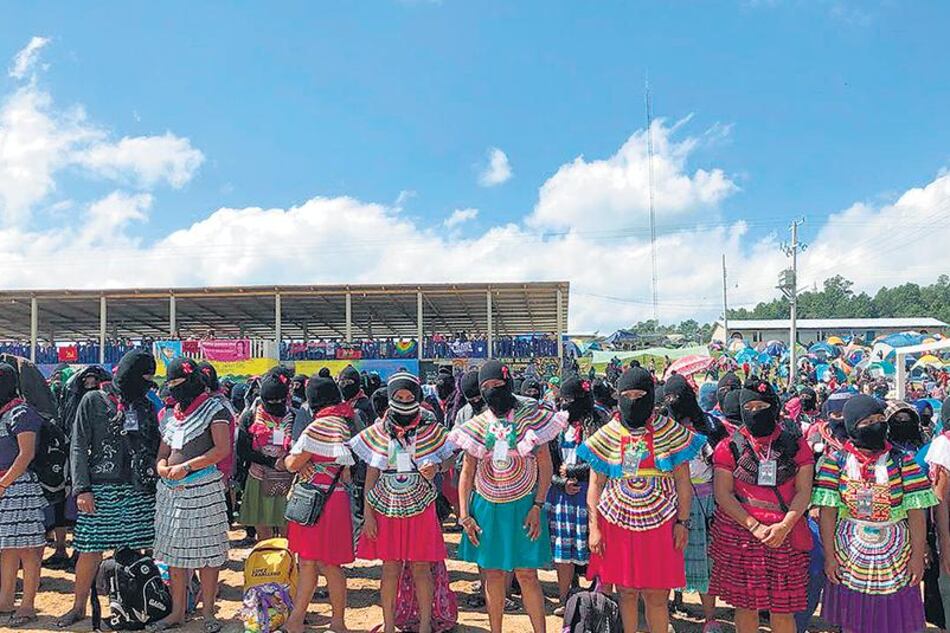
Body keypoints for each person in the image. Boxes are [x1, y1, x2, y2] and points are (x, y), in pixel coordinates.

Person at [580, 367, 702, 633]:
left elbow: (683, 482)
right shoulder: (607, 433)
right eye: (627, 394)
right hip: (617, 523)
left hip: (662, 524)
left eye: (640, 394)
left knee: (657, 597)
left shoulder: (670, 432)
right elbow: (595, 484)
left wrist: (683, 521)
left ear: (651, 395)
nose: (633, 400)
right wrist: (594, 528)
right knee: (626, 593)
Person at [449, 360, 564, 633]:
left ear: (508, 383)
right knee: (494, 575)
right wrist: (464, 514)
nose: (491, 391)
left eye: (496, 385)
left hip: (524, 504)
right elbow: (467, 472)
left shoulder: (532, 417)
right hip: (487, 506)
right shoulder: (476, 425)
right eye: (485, 387)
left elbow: (545, 465)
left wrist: (538, 504)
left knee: (527, 574)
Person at [813, 394, 936, 633]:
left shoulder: (903, 462)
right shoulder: (835, 463)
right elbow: (827, 514)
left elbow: (917, 514)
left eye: (880, 419)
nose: (876, 425)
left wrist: (916, 556)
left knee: (892, 620)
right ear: (851, 427)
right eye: (867, 422)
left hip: (896, 556)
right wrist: (829, 556)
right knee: (853, 619)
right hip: (849, 554)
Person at [57, 350, 161, 629]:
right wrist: (82, 489)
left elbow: (154, 444)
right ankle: (78, 606)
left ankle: (133, 603)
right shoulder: (92, 401)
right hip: (99, 489)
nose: (147, 384)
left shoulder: (145, 404)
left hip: (138, 489)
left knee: (137, 551)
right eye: (144, 378)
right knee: (89, 550)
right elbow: (77, 445)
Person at [350, 372, 455, 633]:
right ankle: (388, 625)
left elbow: (452, 458)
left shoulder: (431, 429)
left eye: (410, 397)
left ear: (418, 398)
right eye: (399, 397)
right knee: (390, 568)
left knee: (422, 567)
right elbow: (371, 475)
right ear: (390, 398)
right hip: (386, 507)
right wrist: (369, 516)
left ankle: (423, 625)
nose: (405, 401)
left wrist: (438, 467)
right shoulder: (378, 432)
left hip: (422, 506)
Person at [709, 377, 814, 633]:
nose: (756, 412)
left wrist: (784, 526)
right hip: (740, 535)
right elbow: (723, 494)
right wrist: (754, 526)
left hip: (785, 536)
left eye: (762, 406)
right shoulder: (729, 447)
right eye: (750, 407)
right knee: (746, 607)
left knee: (783, 609)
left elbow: (804, 491)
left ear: (775, 406)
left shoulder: (796, 445)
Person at [151, 358, 232, 633]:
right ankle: (177, 612)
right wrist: (161, 466)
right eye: (170, 384)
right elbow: (163, 451)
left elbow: (222, 449)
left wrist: (186, 466)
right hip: (171, 493)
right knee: (174, 554)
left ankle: (208, 612)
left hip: (203, 489)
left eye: (177, 384)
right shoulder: (173, 414)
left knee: (207, 554)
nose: (173, 389)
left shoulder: (215, 409)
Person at [283, 374, 355, 633]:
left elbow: (291, 463)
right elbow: (346, 471)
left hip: (313, 501)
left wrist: (304, 464)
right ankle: (336, 621)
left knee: (310, 562)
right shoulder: (345, 422)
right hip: (335, 500)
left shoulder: (317, 426)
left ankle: (296, 621)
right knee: (330, 564)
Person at [662, 374, 727, 632]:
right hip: (670, 502)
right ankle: (663, 612)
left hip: (706, 501)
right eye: (668, 398)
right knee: (667, 560)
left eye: (677, 397)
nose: (672, 402)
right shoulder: (662, 426)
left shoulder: (710, 425)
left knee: (706, 562)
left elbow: (721, 460)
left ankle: (710, 618)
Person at [546, 375, 606, 614]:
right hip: (562, 498)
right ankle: (566, 601)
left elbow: (602, 462)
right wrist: (561, 482)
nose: (565, 404)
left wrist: (575, 472)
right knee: (563, 553)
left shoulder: (598, 424)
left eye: (570, 399)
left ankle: (596, 597)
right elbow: (549, 464)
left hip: (590, 496)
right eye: (562, 399)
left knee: (594, 548)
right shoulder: (558, 426)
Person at [0, 363, 47, 628]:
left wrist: (4, 484)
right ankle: (5, 600)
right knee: (7, 548)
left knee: (28, 549)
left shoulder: (22, 412)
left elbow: (25, 454)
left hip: (19, 489)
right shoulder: (3, 413)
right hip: (5, 487)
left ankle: (27, 604)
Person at [236, 370, 296, 540]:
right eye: (271, 401)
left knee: (287, 526)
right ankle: (267, 562)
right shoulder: (250, 417)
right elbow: (243, 450)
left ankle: (287, 562)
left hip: (287, 479)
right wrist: (271, 462)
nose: (276, 404)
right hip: (258, 478)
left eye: (280, 400)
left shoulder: (293, 416)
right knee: (263, 529)